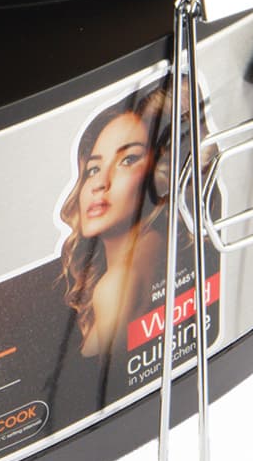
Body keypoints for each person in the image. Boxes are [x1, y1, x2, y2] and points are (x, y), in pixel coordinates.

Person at [58, 82, 176, 360]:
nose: (101, 182)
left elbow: (94, 376)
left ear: (159, 171)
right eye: (93, 169)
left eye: (128, 160)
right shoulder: (157, 249)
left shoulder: (116, 284)